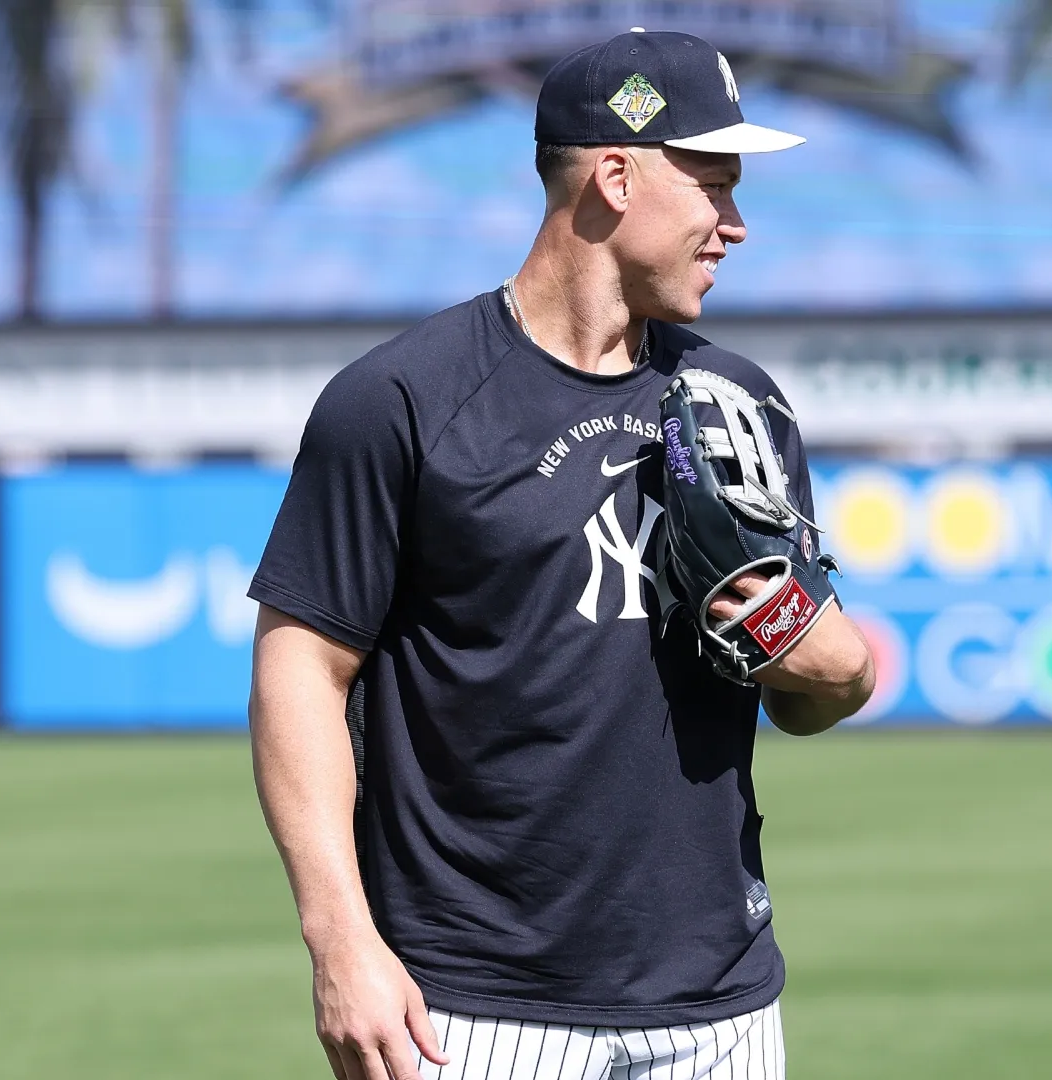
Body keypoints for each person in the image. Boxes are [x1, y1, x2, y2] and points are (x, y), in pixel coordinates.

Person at [247, 29, 873, 1080]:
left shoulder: (736, 403)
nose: (736, 226)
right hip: (471, 1011)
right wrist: (339, 940)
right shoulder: (401, 401)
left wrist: (822, 661)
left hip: (718, 1006)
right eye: (714, 186)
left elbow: (811, 696)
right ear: (616, 176)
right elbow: (300, 669)